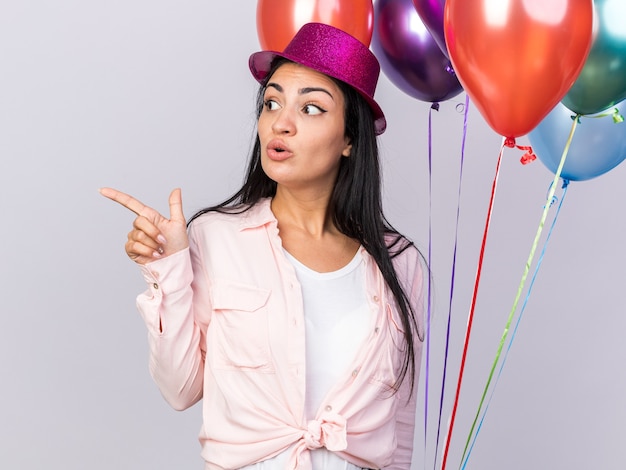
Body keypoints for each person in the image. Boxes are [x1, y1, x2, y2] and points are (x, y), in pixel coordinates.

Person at [100, 22, 425, 470]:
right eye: (271, 102)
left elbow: (400, 427)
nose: (281, 123)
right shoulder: (216, 236)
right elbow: (179, 390)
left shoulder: (401, 263)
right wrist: (167, 270)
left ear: (350, 138)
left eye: (310, 109)